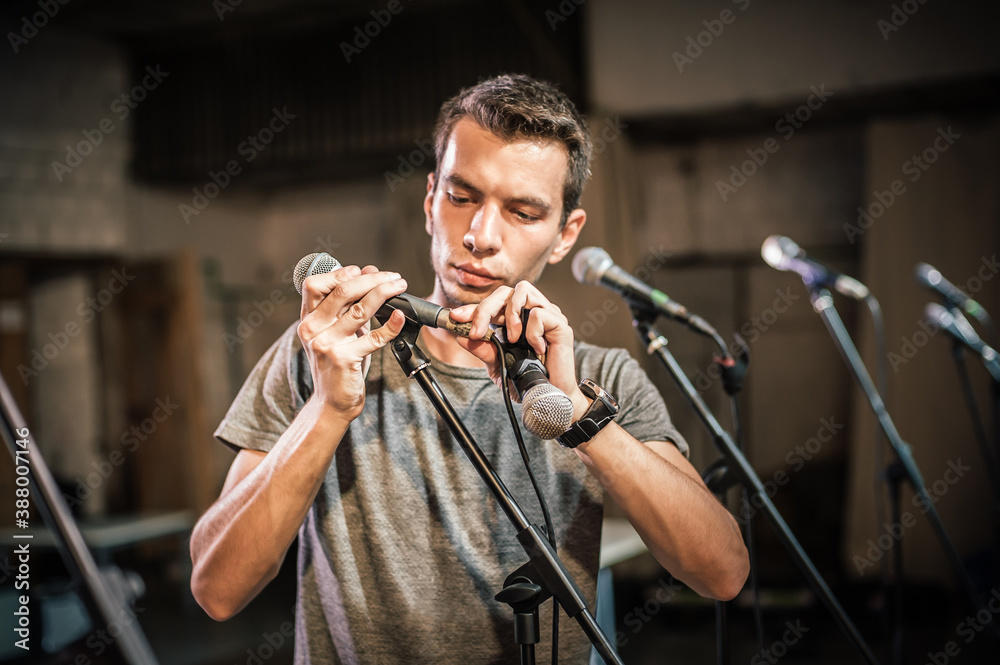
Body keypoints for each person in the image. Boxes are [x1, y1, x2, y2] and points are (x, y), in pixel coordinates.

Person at [190, 74, 749, 664]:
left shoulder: (600, 378)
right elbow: (218, 590)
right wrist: (328, 408)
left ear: (565, 234)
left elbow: (722, 574)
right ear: (430, 200)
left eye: (524, 212)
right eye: (462, 197)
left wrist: (582, 423)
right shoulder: (325, 352)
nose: (481, 235)